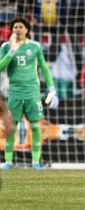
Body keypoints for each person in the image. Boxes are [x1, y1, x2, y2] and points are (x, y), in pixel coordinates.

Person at [0, 17, 59, 170]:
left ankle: (35, 162)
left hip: (33, 93)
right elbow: (0, 67)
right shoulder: (6, 47)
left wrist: (52, 88)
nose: (17, 29)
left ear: (26, 30)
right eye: (15, 27)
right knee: (11, 128)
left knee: (35, 127)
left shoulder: (35, 46)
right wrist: (11, 52)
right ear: (12, 30)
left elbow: (44, 68)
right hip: (14, 93)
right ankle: (7, 162)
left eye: (20, 26)